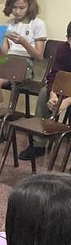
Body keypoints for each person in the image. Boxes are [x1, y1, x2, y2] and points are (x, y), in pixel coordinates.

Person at [20, 19, 71, 161]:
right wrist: (53, 94)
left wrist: (67, 101)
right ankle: (38, 144)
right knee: (44, 93)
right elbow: (54, 75)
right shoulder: (63, 49)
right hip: (66, 85)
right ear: (67, 39)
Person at [0, 0, 47, 106]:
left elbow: (39, 56)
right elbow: (4, 53)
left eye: (21, 8)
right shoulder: (8, 24)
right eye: (14, 7)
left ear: (30, 6)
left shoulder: (37, 24)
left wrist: (23, 42)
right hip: (8, 61)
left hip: (25, 64)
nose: (17, 11)